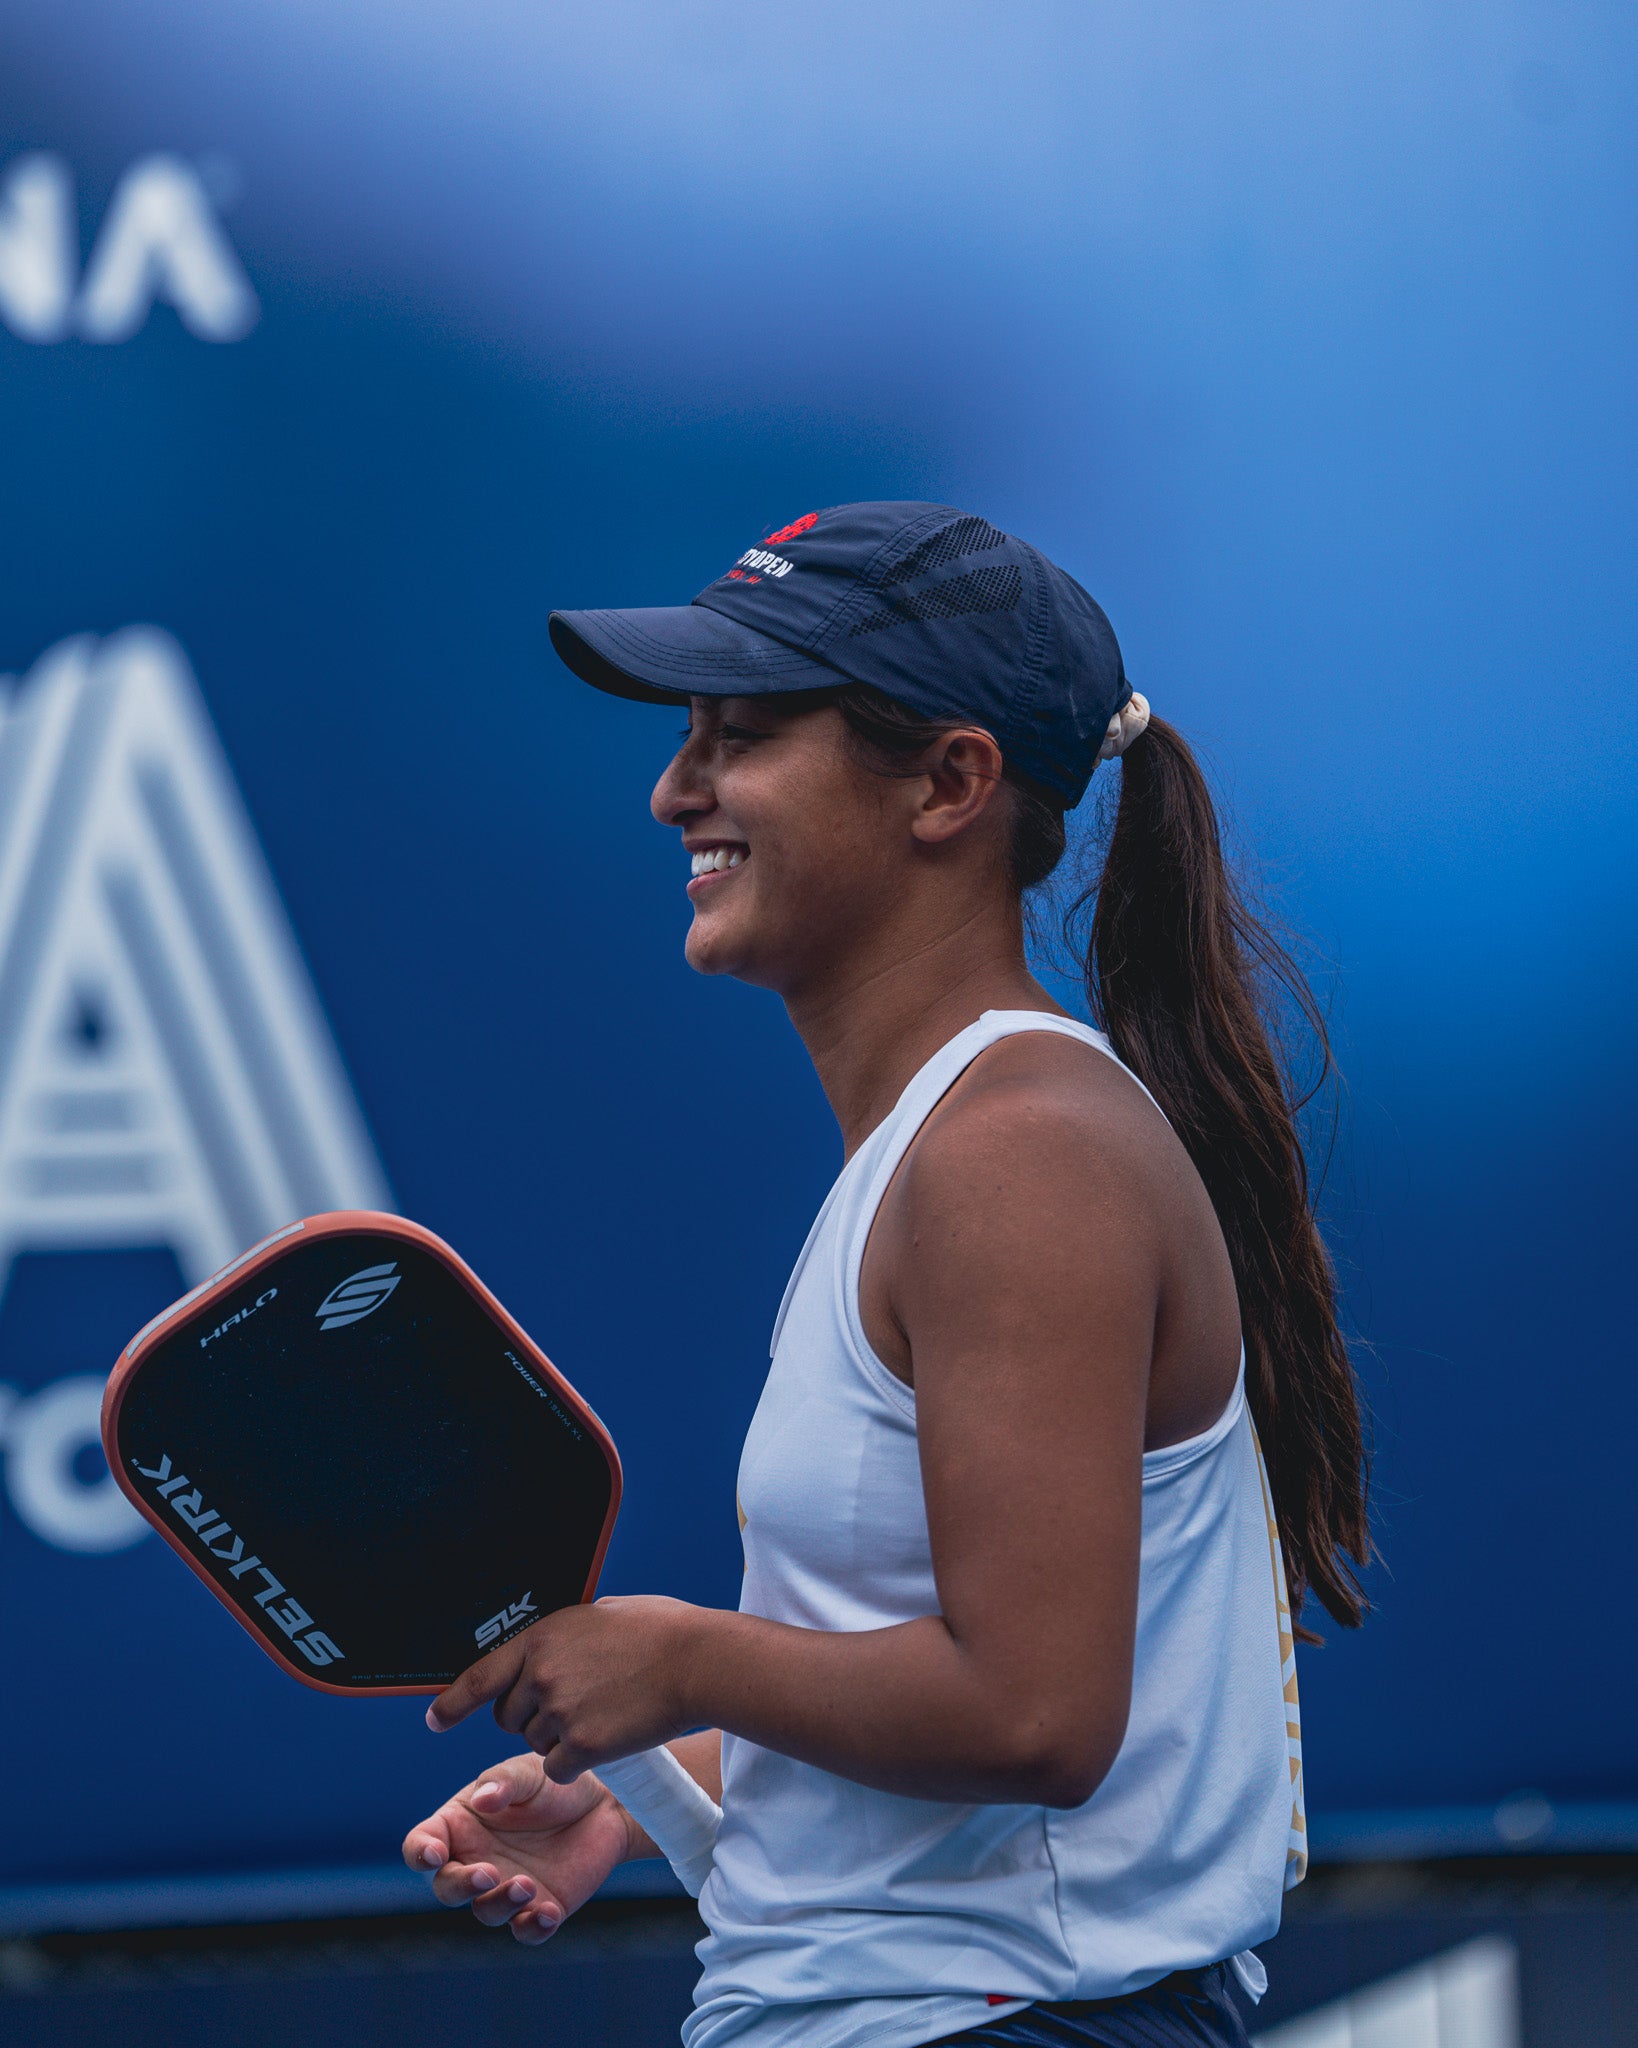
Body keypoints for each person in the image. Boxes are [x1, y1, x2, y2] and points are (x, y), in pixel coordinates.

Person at [402, 503, 1370, 2048]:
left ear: (950, 781)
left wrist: (674, 1660)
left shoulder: (1016, 1158)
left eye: (743, 734)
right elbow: (962, 1665)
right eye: (685, 735)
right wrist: (669, 1784)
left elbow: (1035, 1716)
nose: (673, 791)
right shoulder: (969, 1145)